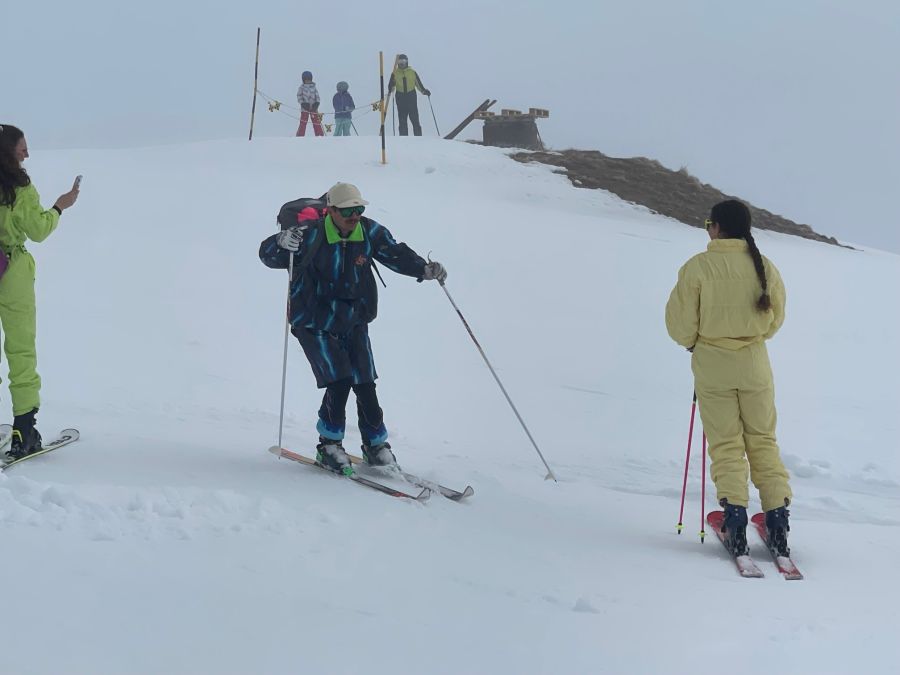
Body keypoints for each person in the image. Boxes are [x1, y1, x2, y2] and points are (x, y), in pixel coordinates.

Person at [258, 182, 447, 474]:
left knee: (365, 383)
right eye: (348, 210)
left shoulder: (368, 232)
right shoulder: (309, 235)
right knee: (339, 380)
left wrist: (423, 269)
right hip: (314, 320)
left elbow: (394, 253)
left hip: (354, 319)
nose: (354, 215)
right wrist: (280, 242)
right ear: (331, 210)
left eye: (359, 209)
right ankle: (329, 445)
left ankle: (376, 445)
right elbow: (268, 255)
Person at [665, 199, 792, 557]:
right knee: (763, 440)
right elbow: (775, 320)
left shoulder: (698, 268)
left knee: (726, 444)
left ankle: (734, 518)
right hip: (754, 364)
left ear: (717, 227)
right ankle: (777, 519)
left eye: (709, 223)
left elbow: (679, 324)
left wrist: (696, 343)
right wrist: (749, 340)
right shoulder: (764, 267)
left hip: (712, 365)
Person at [0, 124, 79, 460]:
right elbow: (38, 230)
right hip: (12, 270)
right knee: (20, 350)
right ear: (9, 152)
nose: (27, 154)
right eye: (22, 149)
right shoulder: (21, 188)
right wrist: (60, 206)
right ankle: (24, 430)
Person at [387, 54, 431, 136]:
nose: (402, 63)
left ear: (407, 62)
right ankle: (403, 140)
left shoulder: (412, 72)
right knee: (402, 121)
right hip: (400, 98)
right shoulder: (395, 73)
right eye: (400, 61)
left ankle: (418, 138)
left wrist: (424, 91)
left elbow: (418, 84)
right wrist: (391, 85)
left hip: (411, 97)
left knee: (415, 120)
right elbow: (391, 89)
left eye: (403, 61)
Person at [296, 71, 324, 137]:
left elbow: (317, 97)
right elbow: (299, 96)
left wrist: (317, 103)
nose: (308, 81)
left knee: (316, 122)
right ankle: (300, 135)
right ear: (303, 80)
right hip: (305, 108)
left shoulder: (313, 87)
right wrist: (303, 103)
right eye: (306, 80)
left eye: (309, 79)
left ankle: (319, 135)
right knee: (303, 122)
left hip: (313, 108)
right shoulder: (301, 88)